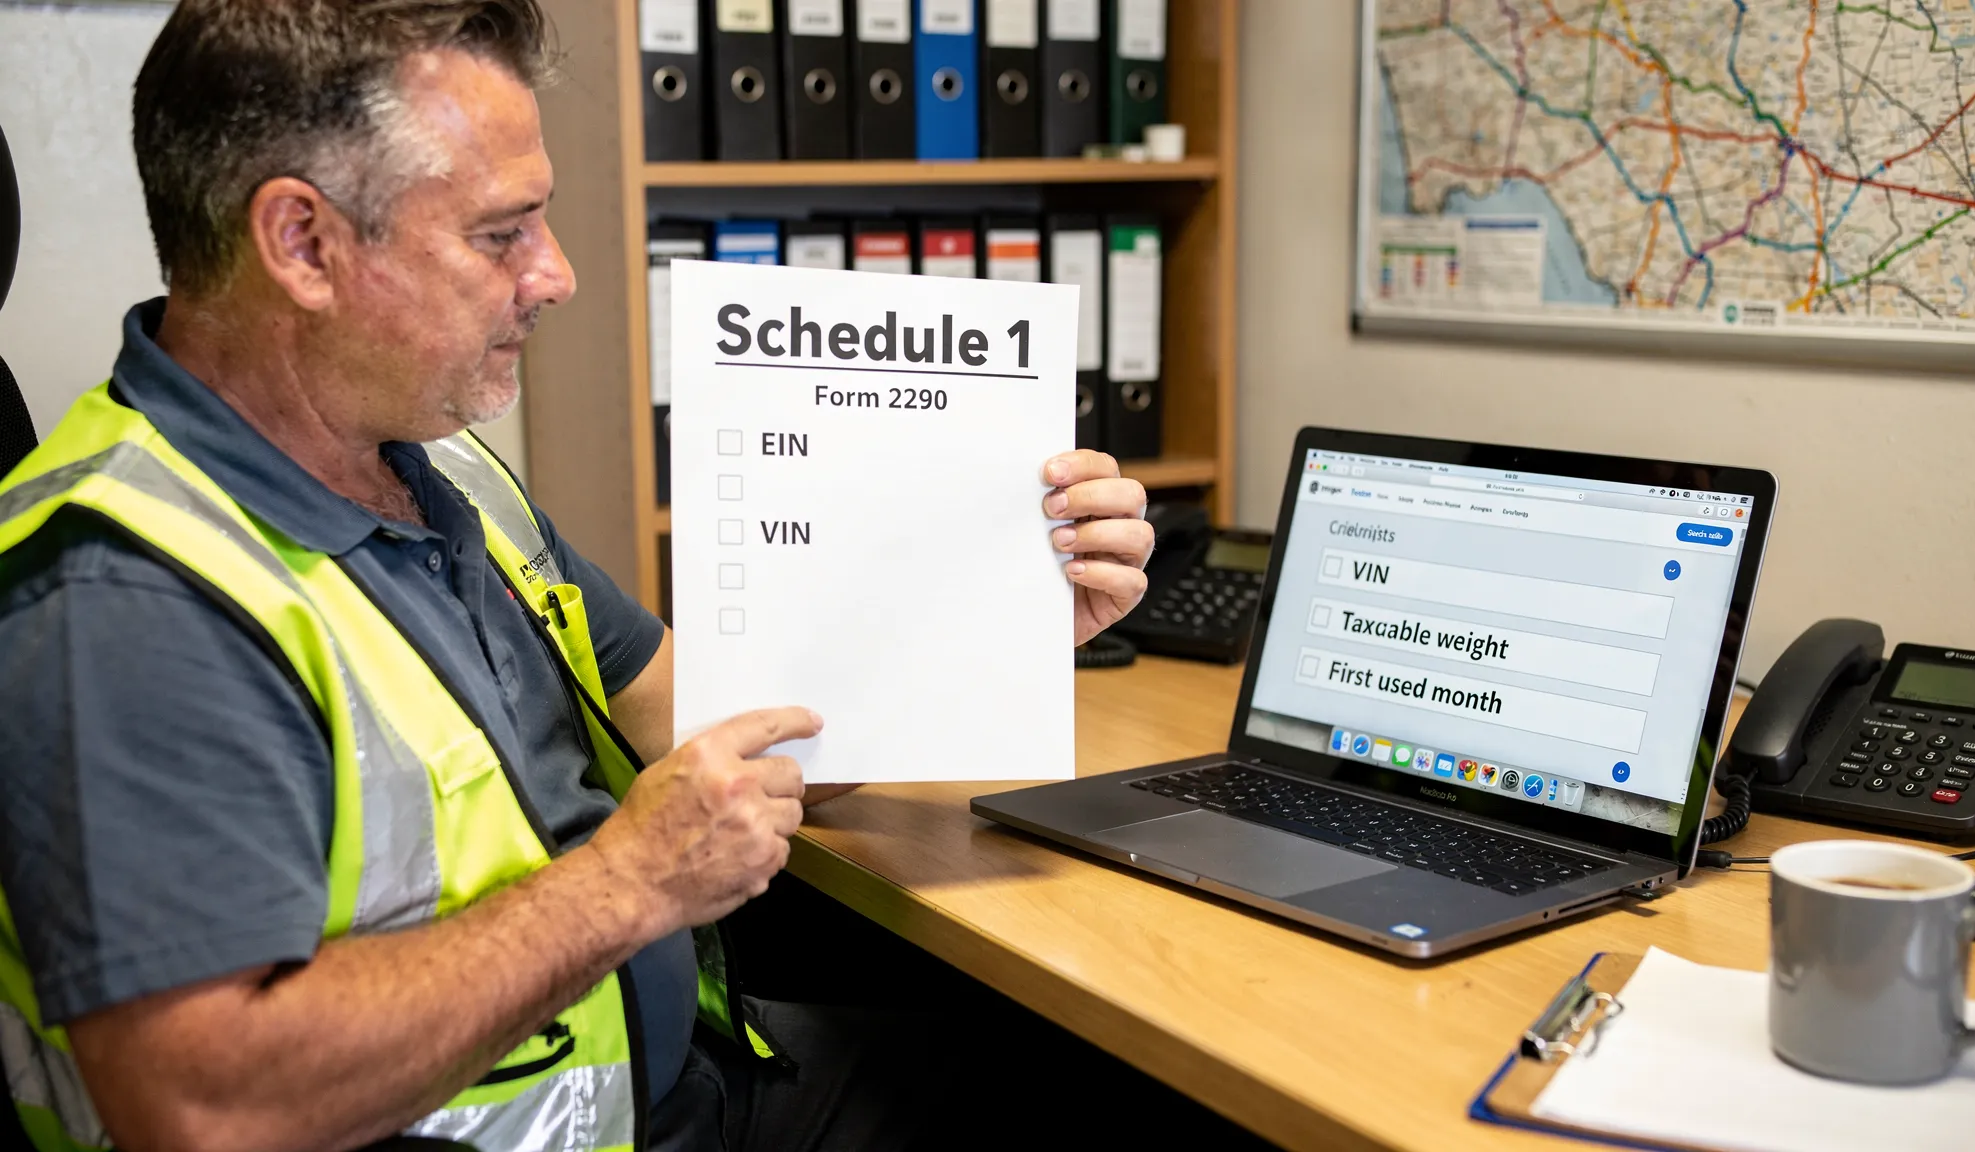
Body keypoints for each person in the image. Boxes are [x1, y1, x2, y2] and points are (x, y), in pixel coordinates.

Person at [0, 2, 1153, 1149]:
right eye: (503, 233)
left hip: (677, 1092)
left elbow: (742, 745)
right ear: (303, 243)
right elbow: (201, 1106)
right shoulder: (123, 596)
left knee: (1116, 1089)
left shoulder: (434, 471)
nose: (555, 276)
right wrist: (631, 885)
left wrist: (993, 620)